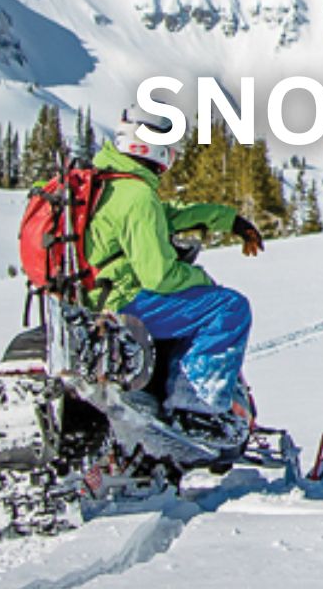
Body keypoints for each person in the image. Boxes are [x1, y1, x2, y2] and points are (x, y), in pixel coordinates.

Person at [84, 105, 265, 440]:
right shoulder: (136, 196)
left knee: (204, 304)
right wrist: (201, 280)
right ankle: (197, 406)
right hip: (124, 302)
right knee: (229, 307)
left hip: (92, 299)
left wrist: (228, 220)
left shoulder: (106, 183)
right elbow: (159, 277)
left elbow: (168, 215)